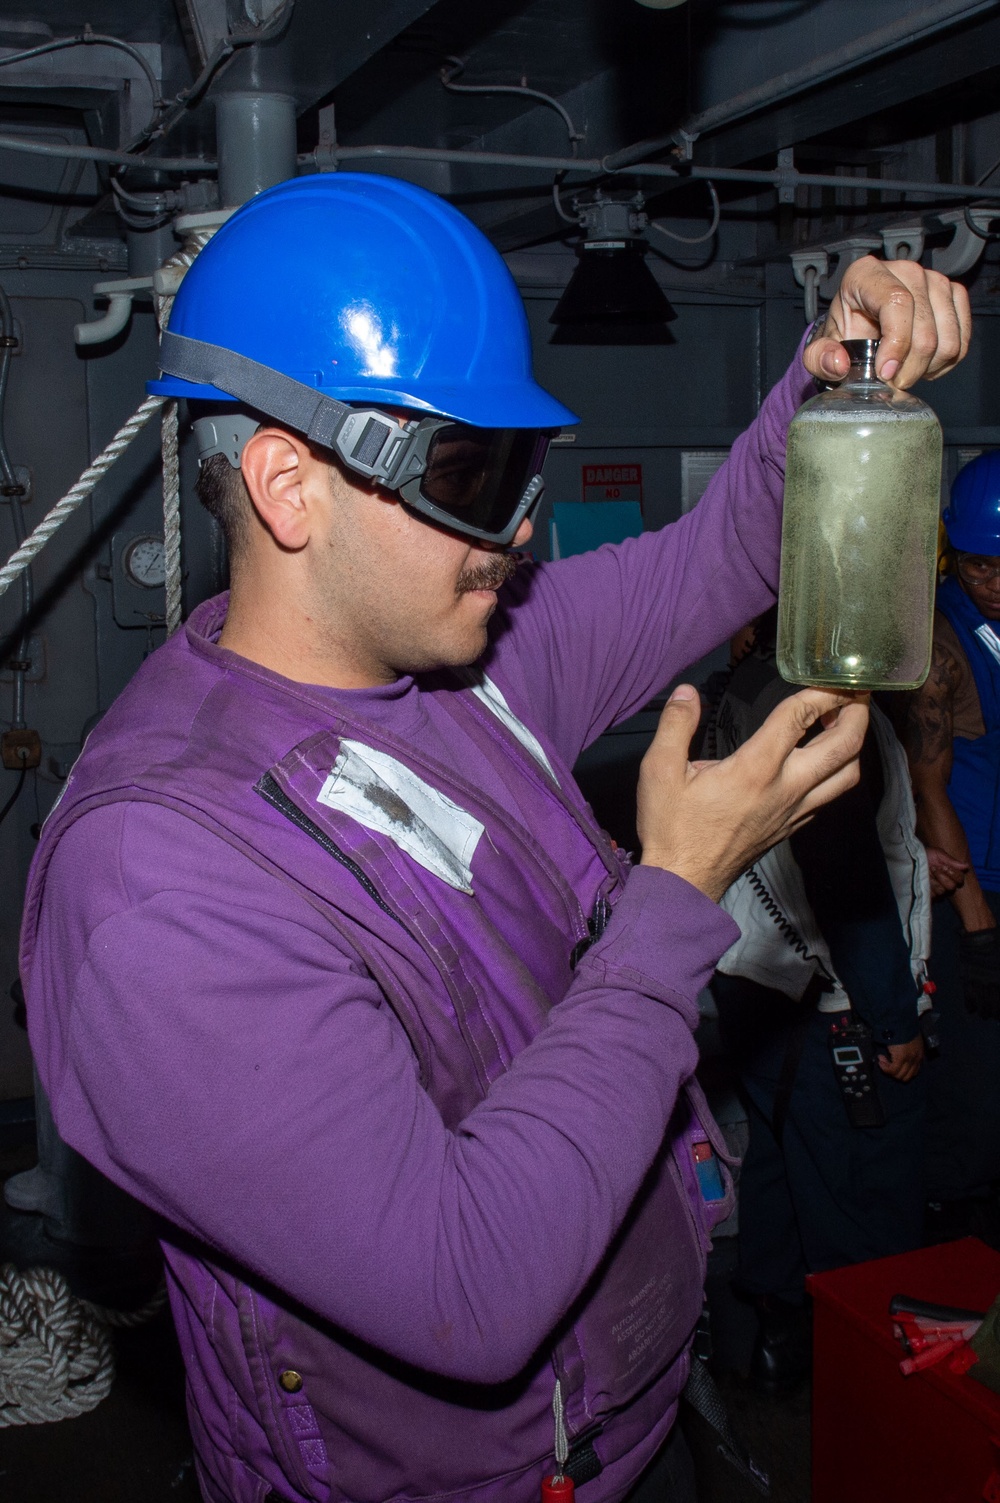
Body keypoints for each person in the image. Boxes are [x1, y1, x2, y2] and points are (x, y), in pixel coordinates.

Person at [19, 174, 968, 1503]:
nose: (519, 523)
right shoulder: (157, 885)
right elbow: (466, 1284)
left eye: (520, 465)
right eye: (469, 472)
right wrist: (675, 890)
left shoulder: (475, 661)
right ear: (291, 487)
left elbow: (721, 555)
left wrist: (831, 373)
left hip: (630, 1410)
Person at [708, 609, 930, 1392]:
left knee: (780, 1158)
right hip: (832, 1002)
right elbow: (850, 890)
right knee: (861, 1205)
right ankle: (861, 1384)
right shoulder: (834, 719)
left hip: (749, 979)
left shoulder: (747, 682)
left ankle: (772, 1340)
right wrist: (895, 1018)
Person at [901, 452, 1000, 1215]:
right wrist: (977, 933)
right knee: (972, 1109)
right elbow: (929, 790)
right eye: (977, 565)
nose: (993, 582)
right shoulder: (939, 641)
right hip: (974, 893)